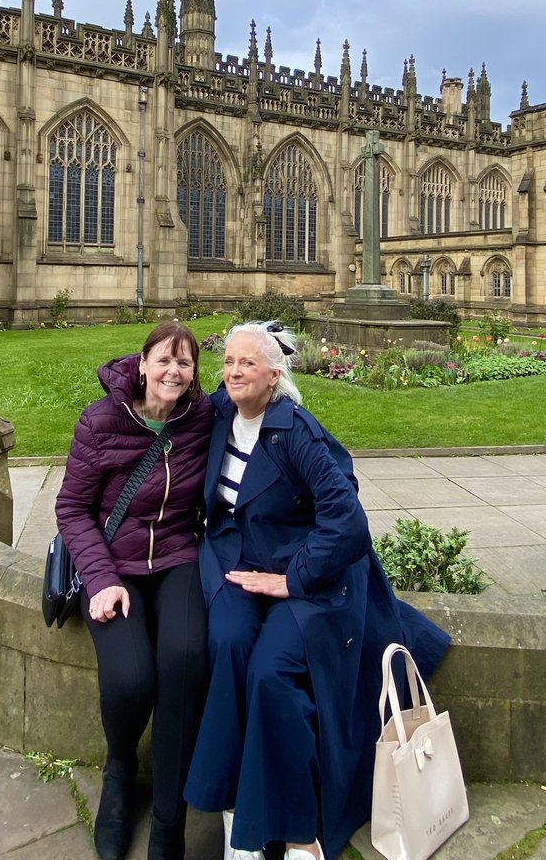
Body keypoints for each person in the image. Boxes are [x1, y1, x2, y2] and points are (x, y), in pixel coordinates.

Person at [184, 321, 451, 860]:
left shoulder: (292, 430)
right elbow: (157, 392)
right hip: (239, 561)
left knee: (269, 674)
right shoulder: (218, 413)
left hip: (305, 576)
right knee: (228, 644)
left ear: (274, 375)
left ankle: (300, 836)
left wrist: (293, 580)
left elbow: (348, 522)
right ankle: (237, 808)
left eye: (248, 364)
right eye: (229, 362)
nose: (235, 372)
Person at [56, 322, 213, 860]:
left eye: (185, 364)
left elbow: (261, 400)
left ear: (195, 376)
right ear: (141, 364)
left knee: (188, 658)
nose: (174, 371)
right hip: (114, 564)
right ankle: (120, 769)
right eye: (164, 360)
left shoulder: (202, 418)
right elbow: (72, 509)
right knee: (131, 678)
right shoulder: (101, 421)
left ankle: (170, 816)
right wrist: (100, 579)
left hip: (177, 558)